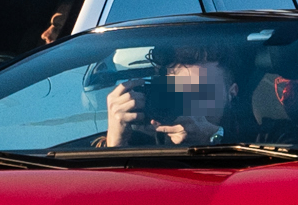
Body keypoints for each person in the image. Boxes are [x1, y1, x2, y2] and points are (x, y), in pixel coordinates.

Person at [99, 49, 239, 147]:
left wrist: (214, 137)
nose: (190, 101)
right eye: (177, 90)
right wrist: (115, 142)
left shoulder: (256, 138)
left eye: (202, 91)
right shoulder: (142, 138)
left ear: (231, 93)